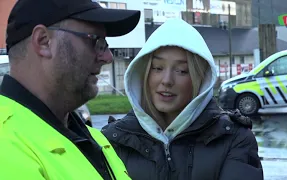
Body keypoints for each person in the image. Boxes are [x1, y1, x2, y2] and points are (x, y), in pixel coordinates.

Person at [102, 18, 263, 180]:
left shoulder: (234, 138)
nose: (167, 80)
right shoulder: (113, 140)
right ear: (143, 73)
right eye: (157, 68)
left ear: (200, 79)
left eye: (182, 70)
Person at [0, 0, 140, 179]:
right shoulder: (6, 144)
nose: (107, 57)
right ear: (44, 42)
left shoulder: (94, 138)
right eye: (96, 41)